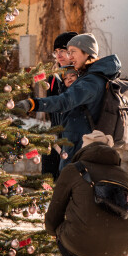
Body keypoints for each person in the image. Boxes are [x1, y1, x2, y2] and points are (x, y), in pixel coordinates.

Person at [45, 130, 128, 256]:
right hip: (123, 244)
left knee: (60, 228)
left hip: (82, 239)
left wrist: (52, 230)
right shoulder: (123, 174)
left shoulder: (73, 170)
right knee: (108, 224)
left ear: (84, 149)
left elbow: (55, 211)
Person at [15, 32, 122, 170]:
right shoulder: (88, 77)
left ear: (87, 53)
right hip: (76, 145)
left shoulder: (90, 82)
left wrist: (33, 104)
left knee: (71, 186)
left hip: (80, 147)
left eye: (72, 52)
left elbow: (64, 101)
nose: (69, 57)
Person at [41, 30, 78, 180]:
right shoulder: (53, 77)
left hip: (73, 140)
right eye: (56, 51)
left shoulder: (82, 78)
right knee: (48, 180)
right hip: (55, 137)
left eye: (63, 50)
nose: (59, 55)